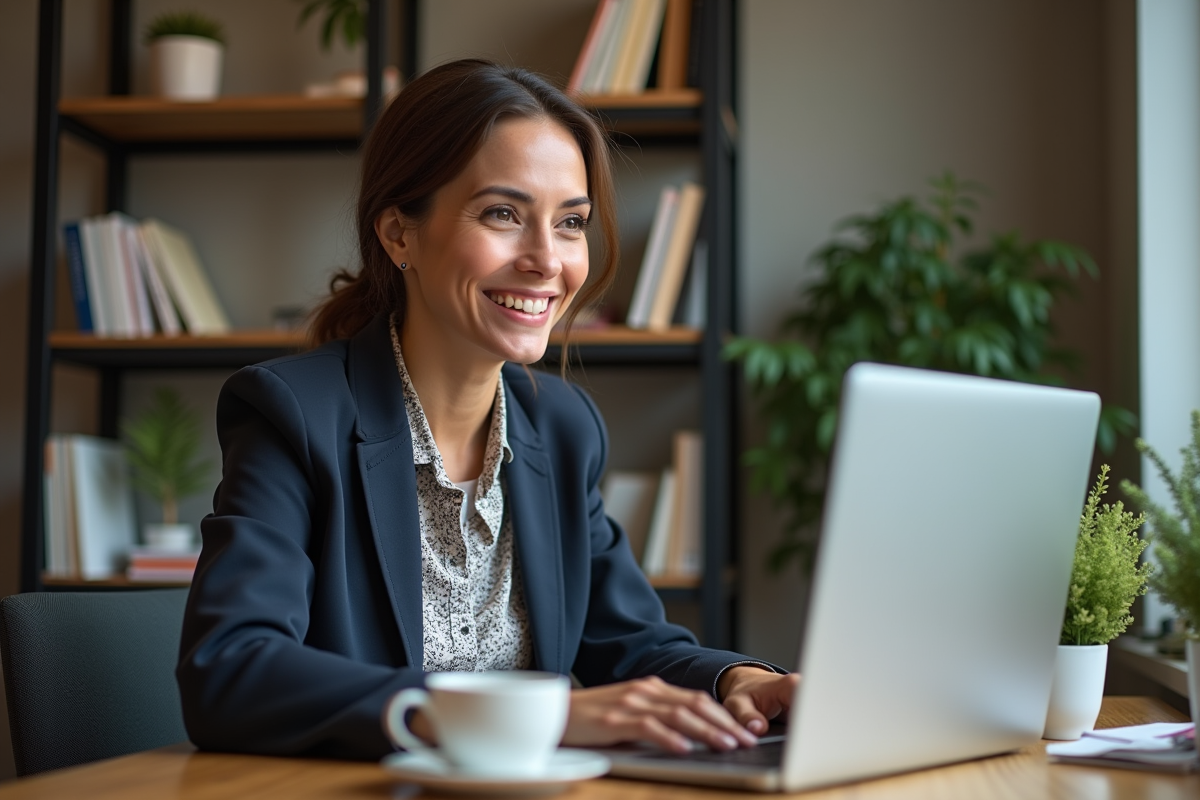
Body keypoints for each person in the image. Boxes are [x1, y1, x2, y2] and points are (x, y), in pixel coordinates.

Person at [176, 58, 797, 761]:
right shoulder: (293, 414)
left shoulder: (564, 427)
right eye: (503, 214)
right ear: (398, 233)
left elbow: (625, 641)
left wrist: (736, 680)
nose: (546, 260)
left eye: (570, 223)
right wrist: (542, 716)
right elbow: (229, 670)